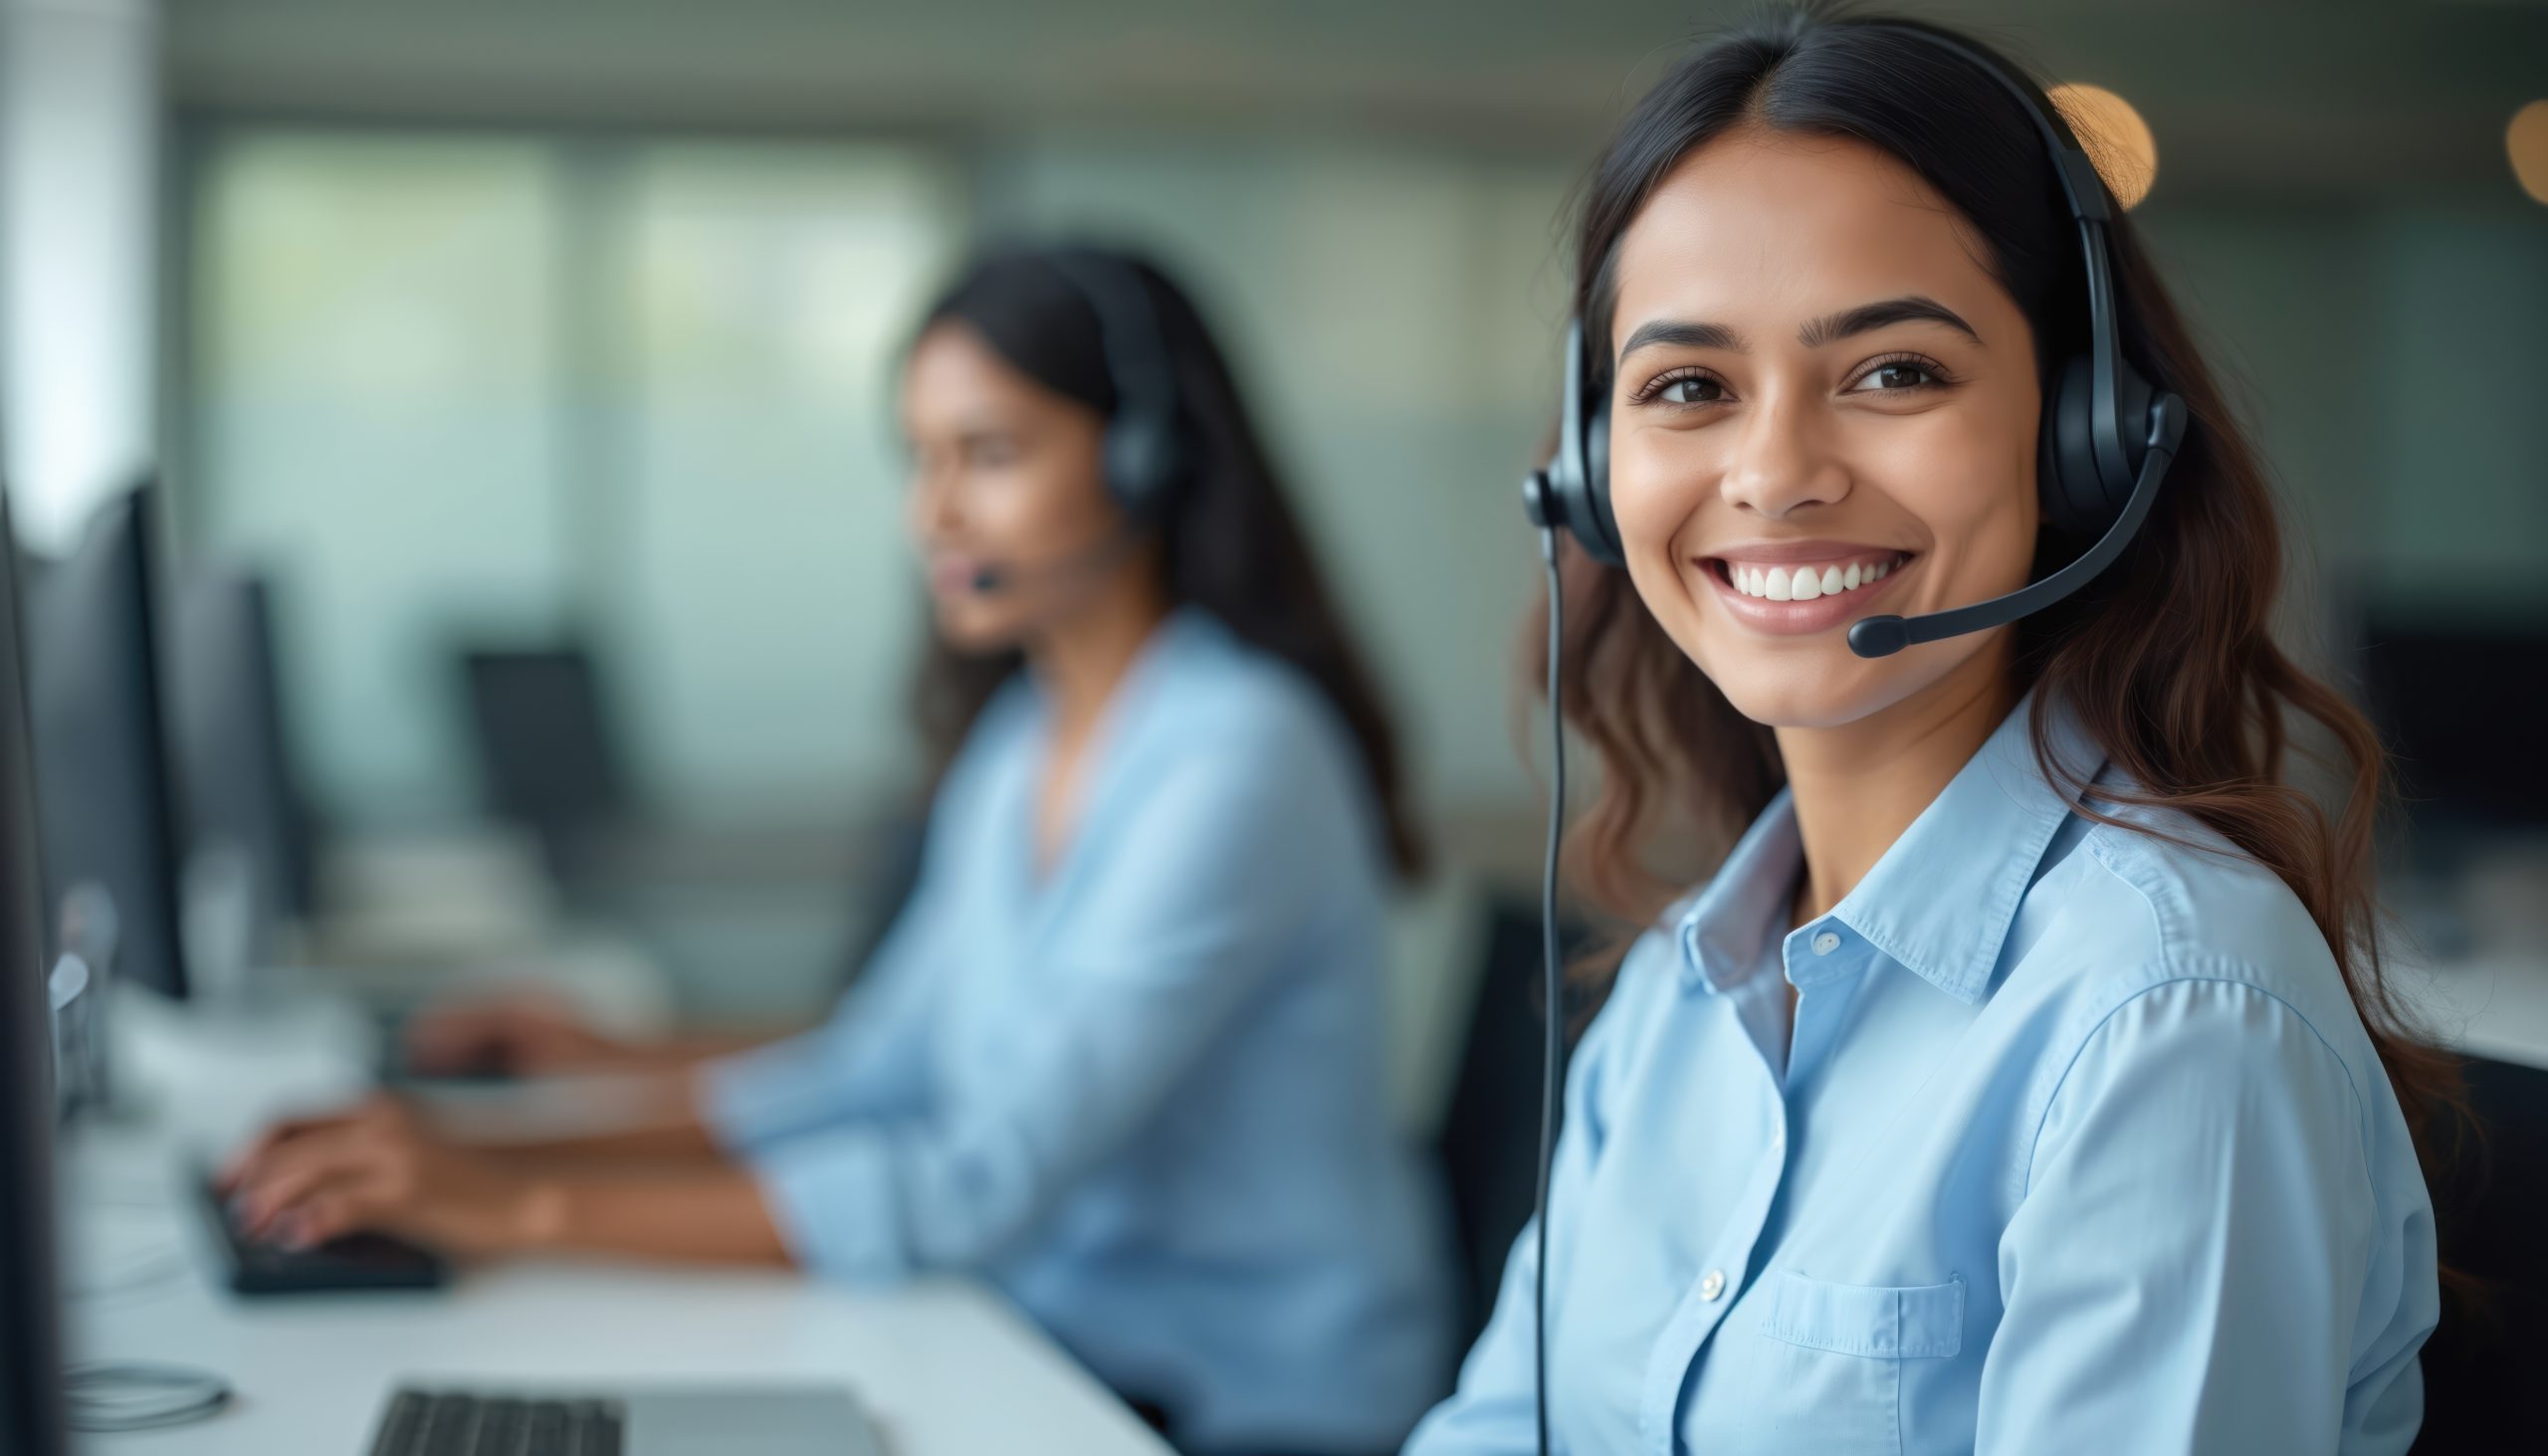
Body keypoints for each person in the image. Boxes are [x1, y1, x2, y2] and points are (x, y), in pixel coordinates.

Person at [1406, 10, 2450, 1454]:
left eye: (1894, 371)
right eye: (1689, 387)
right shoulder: (1676, 996)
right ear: (1593, 474)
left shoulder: (2168, 1015)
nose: (1774, 474)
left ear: (2084, 433)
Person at [223, 244, 1454, 1456]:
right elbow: (883, 1061)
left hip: (1243, 1403)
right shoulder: (1024, 738)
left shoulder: (1238, 755)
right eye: (919, 459)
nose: (932, 513)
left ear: (1146, 458)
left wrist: (511, 1206)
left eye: (992, 452)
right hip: (1056, 1338)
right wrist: (478, 1146)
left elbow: (975, 1176)